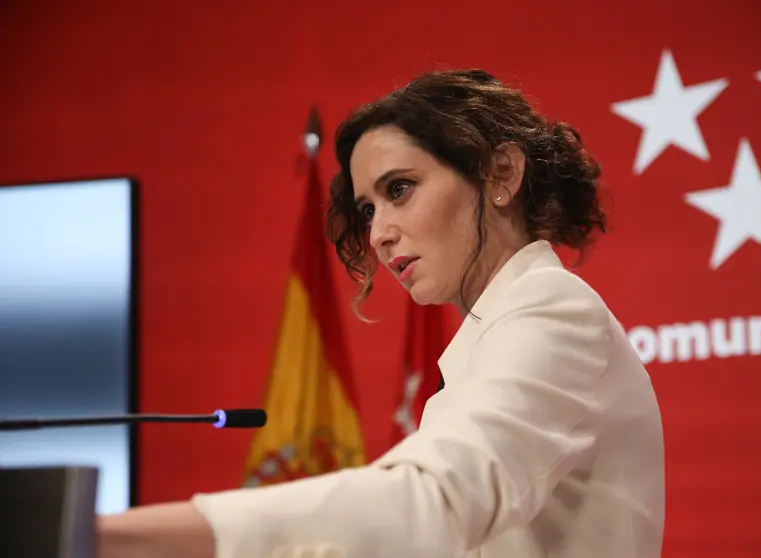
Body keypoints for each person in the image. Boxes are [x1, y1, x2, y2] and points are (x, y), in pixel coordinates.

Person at [97, 69, 665, 558]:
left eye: (401, 189)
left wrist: (115, 539)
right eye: (368, 207)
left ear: (501, 176)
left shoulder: (553, 308)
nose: (379, 233)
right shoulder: (495, 336)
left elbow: (434, 501)